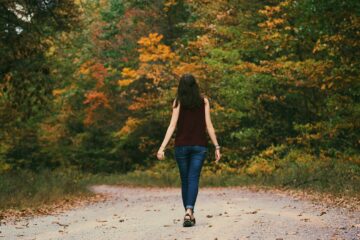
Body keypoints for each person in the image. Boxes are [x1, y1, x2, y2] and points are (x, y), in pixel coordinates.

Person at [156, 73, 221, 227]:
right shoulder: (203, 101)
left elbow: (172, 126)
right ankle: (189, 212)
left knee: (185, 180)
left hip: (181, 146)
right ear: (195, 86)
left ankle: (188, 212)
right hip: (200, 146)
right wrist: (217, 146)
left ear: (181, 87)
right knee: (193, 179)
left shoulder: (177, 102)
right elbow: (209, 125)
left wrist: (162, 147)